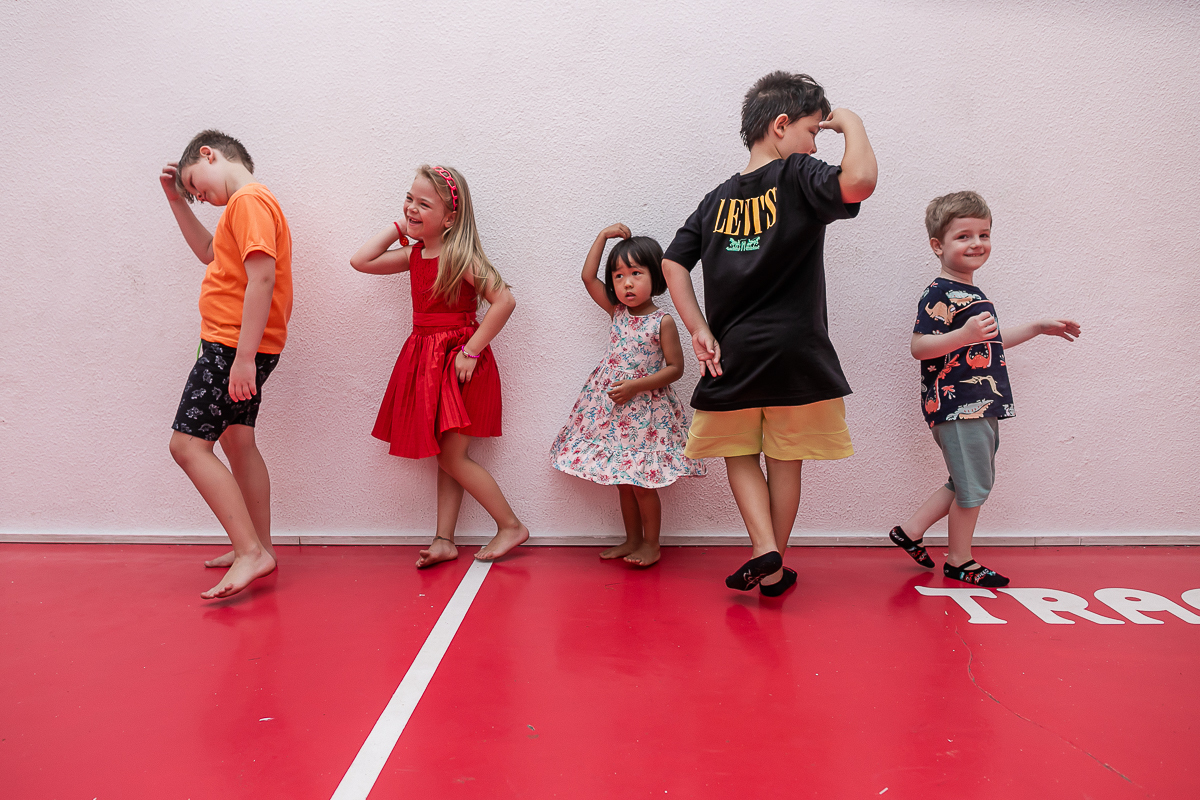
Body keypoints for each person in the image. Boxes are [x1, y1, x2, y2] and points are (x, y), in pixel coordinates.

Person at [661, 71, 877, 596]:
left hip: (733, 353)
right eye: (812, 130)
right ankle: (774, 568)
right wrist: (853, 125)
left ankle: (764, 551)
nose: (814, 141)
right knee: (785, 458)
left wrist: (699, 330)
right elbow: (860, 181)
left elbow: (672, 263)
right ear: (782, 126)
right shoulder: (800, 173)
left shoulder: (716, 200)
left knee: (739, 452)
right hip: (796, 350)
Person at [888, 191, 1081, 586]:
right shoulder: (939, 292)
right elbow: (919, 347)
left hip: (979, 404)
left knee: (968, 480)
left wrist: (1037, 328)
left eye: (984, 234)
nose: (976, 243)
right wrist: (962, 333)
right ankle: (960, 560)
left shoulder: (974, 293)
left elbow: (986, 344)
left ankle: (909, 531)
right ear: (938, 246)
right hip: (959, 406)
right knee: (974, 486)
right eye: (963, 236)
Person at [351, 165, 528, 567]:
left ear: (450, 218)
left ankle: (510, 525)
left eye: (423, 204)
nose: (412, 208)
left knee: (452, 457)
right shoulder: (415, 254)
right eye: (409, 199)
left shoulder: (458, 255)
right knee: (446, 455)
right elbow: (360, 261)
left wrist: (472, 352)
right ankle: (444, 539)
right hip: (426, 360)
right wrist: (401, 224)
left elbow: (504, 302)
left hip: (458, 362)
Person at [159, 130, 293, 599]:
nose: (199, 196)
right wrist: (175, 201)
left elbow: (262, 278)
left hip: (231, 346)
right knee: (238, 441)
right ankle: (259, 548)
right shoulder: (247, 205)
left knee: (187, 446)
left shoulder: (247, 201)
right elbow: (209, 253)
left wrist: (242, 359)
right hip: (237, 346)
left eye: (196, 184)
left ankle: (249, 550)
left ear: (209, 154)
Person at [550, 224, 705, 567]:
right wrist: (603, 237)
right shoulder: (616, 312)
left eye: (636, 273)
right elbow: (588, 276)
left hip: (645, 414)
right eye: (619, 276)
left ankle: (652, 544)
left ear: (656, 276)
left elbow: (676, 368)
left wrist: (637, 385)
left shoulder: (662, 321)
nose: (627, 283)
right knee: (622, 480)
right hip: (611, 411)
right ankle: (632, 539)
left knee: (642, 482)